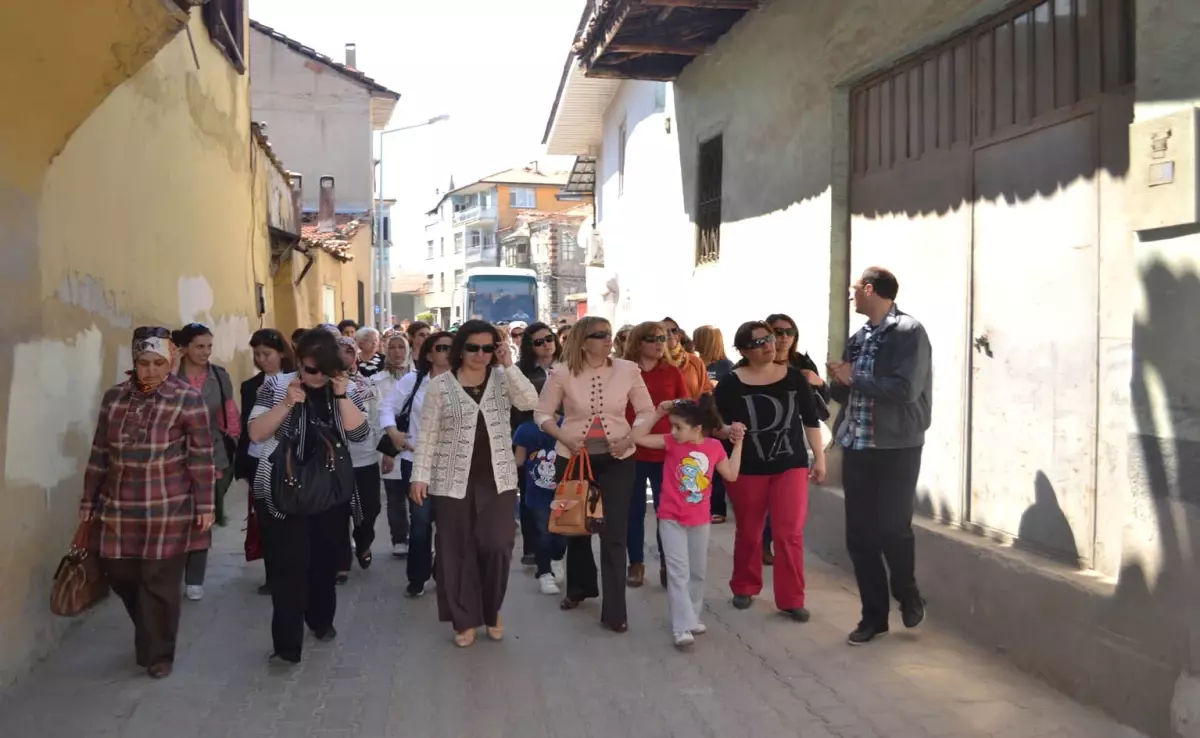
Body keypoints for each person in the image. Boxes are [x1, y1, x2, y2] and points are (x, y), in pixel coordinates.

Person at [80, 326, 215, 679]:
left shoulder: (186, 398)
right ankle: (151, 627)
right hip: (118, 506)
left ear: (170, 360)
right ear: (134, 362)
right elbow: (99, 452)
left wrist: (205, 505)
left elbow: (201, 456)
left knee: (159, 580)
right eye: (144, 362)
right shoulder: (114, 398)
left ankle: (159, 655)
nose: (151, 370)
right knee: (120, 573)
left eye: (158, 362)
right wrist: (88, 498)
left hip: (168, 506)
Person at [410, 320, 539, 647]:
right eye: (473, 347)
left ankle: (491, 607)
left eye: (487, 347)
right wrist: (419, 476)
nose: (480, 354)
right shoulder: (440, 386)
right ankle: (464, 619)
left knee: (498, 545)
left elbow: (529, 402)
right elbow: (427, 436)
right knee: (456, 550)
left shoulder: (501, 379)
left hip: (499, 477)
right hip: (452, 479)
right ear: (460, 349)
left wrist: (509, 365)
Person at [248, 329, 370, 665]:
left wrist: (343, 396)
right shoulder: (275, 386)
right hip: (279, 492)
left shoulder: (346, 387)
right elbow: (256, 433)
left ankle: (320, 619)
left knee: (323, 564)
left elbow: (360, 434)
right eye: (306, 368)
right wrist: (288, 403)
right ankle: (287, 646)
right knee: (288, 569)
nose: (311, 376)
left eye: (320, 370)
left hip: (329, 493)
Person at [828, 266, 932, 646]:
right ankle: (874, 616)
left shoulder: (909, 332)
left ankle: (906, 592)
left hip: (897, 447)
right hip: (858, 445)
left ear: (869, 289)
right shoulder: (858, 339)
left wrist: (855, 378)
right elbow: (847, 394)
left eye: (855, 288)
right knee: (860, 536)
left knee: (892, 527)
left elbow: (905, 389)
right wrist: (835, 382)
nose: (851, 294)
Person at [535, 316, 655, 633]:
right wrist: (563, 437)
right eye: (599, 335)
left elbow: (646, 411)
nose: (607, 339)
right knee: (577, 527)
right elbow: (542, 413)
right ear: (583, 340)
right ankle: (579, 588)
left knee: (613, 533)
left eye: (609, 334)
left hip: (618, 457)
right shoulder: (562, 372)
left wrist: (631, 438)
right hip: (574, 458)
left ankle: (615, 611)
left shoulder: (627, 369)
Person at [714, 321, 827, 622]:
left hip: (790, 465)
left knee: (789, 533)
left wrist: (819, 458)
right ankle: (745, 586)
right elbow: (714, 424)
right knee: (749, 531)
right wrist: (728, 430)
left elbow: (810, 419)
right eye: (759, 342)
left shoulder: (793, 378)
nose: (769, 345)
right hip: (747, 468)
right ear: (743, 351)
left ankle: (791, 599)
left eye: (770, 338)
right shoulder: (731, 382)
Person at [631, 397, 745, 648]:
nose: (672, 431)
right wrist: (658, 412)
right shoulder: (671, 443)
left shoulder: (714, 447)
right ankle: (681, 626)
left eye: (678, 426)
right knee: (678, 572)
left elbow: (732, 475)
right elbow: (638, 437)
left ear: (698, 429)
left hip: (699, 521)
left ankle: (692, 618)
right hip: (671, 518)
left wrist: (738, 445)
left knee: (697, 572)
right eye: (672, 426)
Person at [381, 331, 454, 597]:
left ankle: (444, 573)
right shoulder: (414, 381)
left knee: (449, 523)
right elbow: (387, 407)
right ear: (430, 353)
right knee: (421, 521)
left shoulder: (464, 382)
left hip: (452, 463)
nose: (447, 351)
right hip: (417, 462)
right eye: (441, 347)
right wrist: (393, 433)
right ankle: (418, 576)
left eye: (451, 347)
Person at [173, 322, 239, 601]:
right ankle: (172, 571)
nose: (205, 352)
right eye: (199, 346)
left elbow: (230, 417)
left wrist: (234, 446)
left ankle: (195, 578)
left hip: (212, 455)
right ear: (184, 348)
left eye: (209, 346)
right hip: (175, 456)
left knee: (203, 517)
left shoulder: (220, 377)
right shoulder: (169, 377)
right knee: (176, 518)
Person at [762, 313, 833, 564]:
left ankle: (779, 544)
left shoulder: (802, 362)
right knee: (765, 500)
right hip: (762, 441)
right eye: (777, 332)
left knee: (789, 503)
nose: (783, 338)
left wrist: (819, 381)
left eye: (788, 332)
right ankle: (763, 541)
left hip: (796, 439)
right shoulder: (754, 363)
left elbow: (822, 404)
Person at [623, 321, 689, 589]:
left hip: (666, 451)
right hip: (631, 450)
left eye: (663, 337)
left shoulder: (672, 372)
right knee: (633, 512)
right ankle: (636, 564)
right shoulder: (625, 372)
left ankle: (667, 564)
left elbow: (686, 407)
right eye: (652, 338)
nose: (660, 342)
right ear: (638, 342)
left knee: (668, 513)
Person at [238, 329, 295, 596]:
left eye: (267, 354)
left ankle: (294, 569)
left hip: (289, 460)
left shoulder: (297, 381)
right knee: (267, 521)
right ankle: (273, 575)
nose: (261, 360)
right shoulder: (250, 386)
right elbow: (246, 426)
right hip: (258, 459)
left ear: (281, 353)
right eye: (257, 355)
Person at [512, 322, 561, 566]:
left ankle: (556, 546)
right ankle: (532, 547)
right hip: (530, 436)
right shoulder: (520, 370)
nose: (546, 345)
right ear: (530, 346)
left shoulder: (567, 366)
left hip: (562, 437)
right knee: (530, 493)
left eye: (549, 338)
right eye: (539, 341)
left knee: (558, 490)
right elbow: (516, 406)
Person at [336, 336, 383, 583]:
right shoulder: (326, 384)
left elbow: (377, 418)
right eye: (339, 350)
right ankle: (341, 560)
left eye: (348, 351)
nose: (345, 355)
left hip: (365, 456)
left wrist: (386, 452)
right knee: (338, 511)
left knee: (370, 508)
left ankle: (363, 542)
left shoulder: (367, 383)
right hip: (337, 458)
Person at [513, 417, 566, 595]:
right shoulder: (526, 429)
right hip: (536, 492)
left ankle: (557, 560)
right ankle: (544, 574)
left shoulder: (567, 425)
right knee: (542, 533)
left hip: (563, 492)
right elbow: (518, 460)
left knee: (561, 535)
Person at [373, 333, 412, 558]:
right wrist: (388, 451)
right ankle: (399, 539)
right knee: (395, 497)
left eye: (401, 347)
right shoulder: (376, 381)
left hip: (414, 445)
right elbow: (380, 418)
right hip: (386, 445)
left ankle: (418, 537)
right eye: (392, 347)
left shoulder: (419, 378)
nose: (397, 352)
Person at [693, 325, 735, 524]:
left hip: (719, 422)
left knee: (718, 467)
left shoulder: (726, 366)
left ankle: (717, 508)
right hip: (698, 422)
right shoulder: (695, 363)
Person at [662, 317, 711, 398]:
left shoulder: (695, 361)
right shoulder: (655, 362)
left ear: (680, 334)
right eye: (665, 332)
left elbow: (706, 391)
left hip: (694, 409)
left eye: (674, 330)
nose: (670, 334)